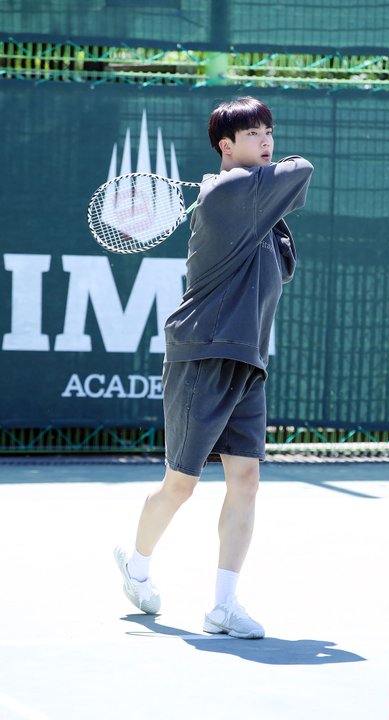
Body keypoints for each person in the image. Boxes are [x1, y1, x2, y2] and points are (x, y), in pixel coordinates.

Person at [114, 96, 313, 639]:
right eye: (253, 134)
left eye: (269, 131)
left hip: (247, 359)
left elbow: (280, 265)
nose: (267, 140)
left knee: (245, 481)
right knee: (181, 483)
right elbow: (302, 167)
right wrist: (248, 175)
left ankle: (224, 606)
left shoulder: (259, 207)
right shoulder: (230, 191)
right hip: (202, 352)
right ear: (226, 146)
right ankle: (136, 565)